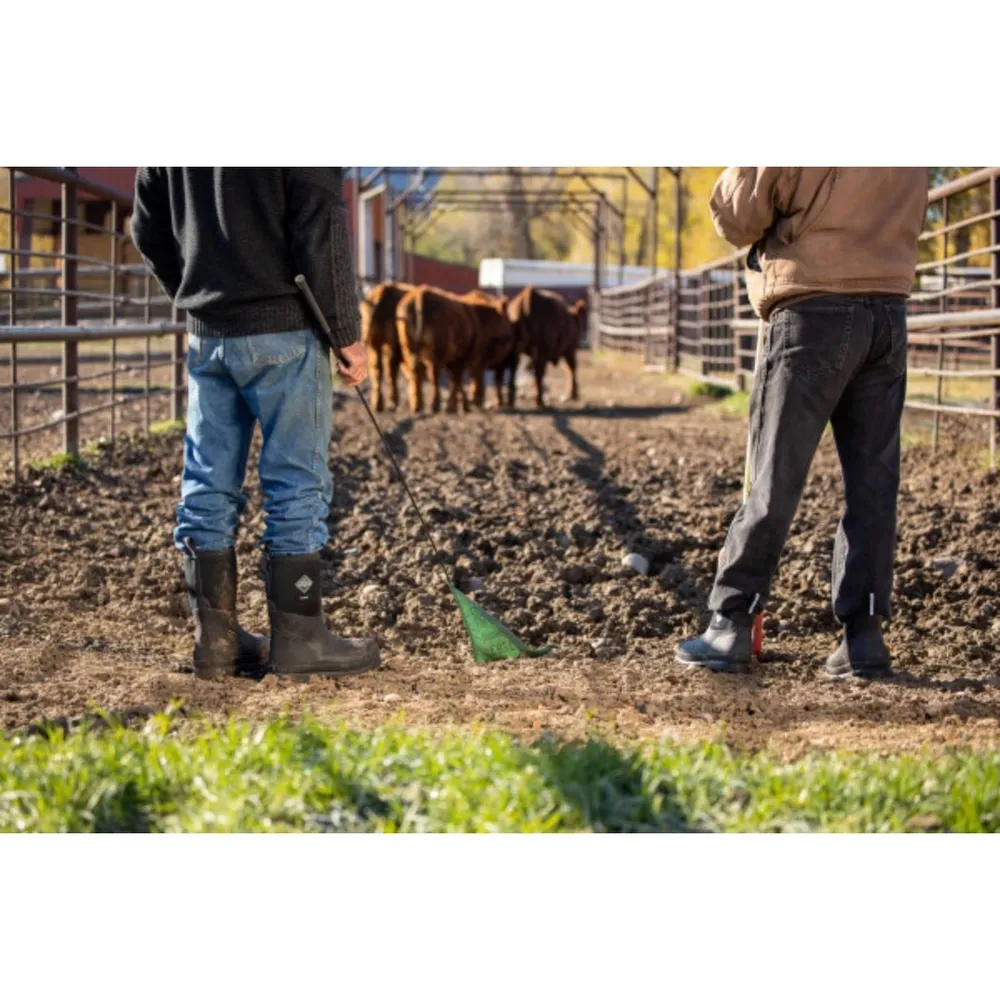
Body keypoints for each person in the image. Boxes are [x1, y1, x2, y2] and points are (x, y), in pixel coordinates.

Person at [676, 167, 928, 680]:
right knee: (873, 486)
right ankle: (864, 637)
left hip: (813, 309)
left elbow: (738, 214)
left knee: (775, 476)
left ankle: (731, 622)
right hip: (888, 311)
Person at [131, 167, 379, 681]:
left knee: (206, 482)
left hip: (208, 333)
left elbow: (146, 223)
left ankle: (215, 642)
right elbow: (320, 225)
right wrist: (346, 334)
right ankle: (299, 639)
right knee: (296, 479)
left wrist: (196, 292)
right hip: (284, 328)